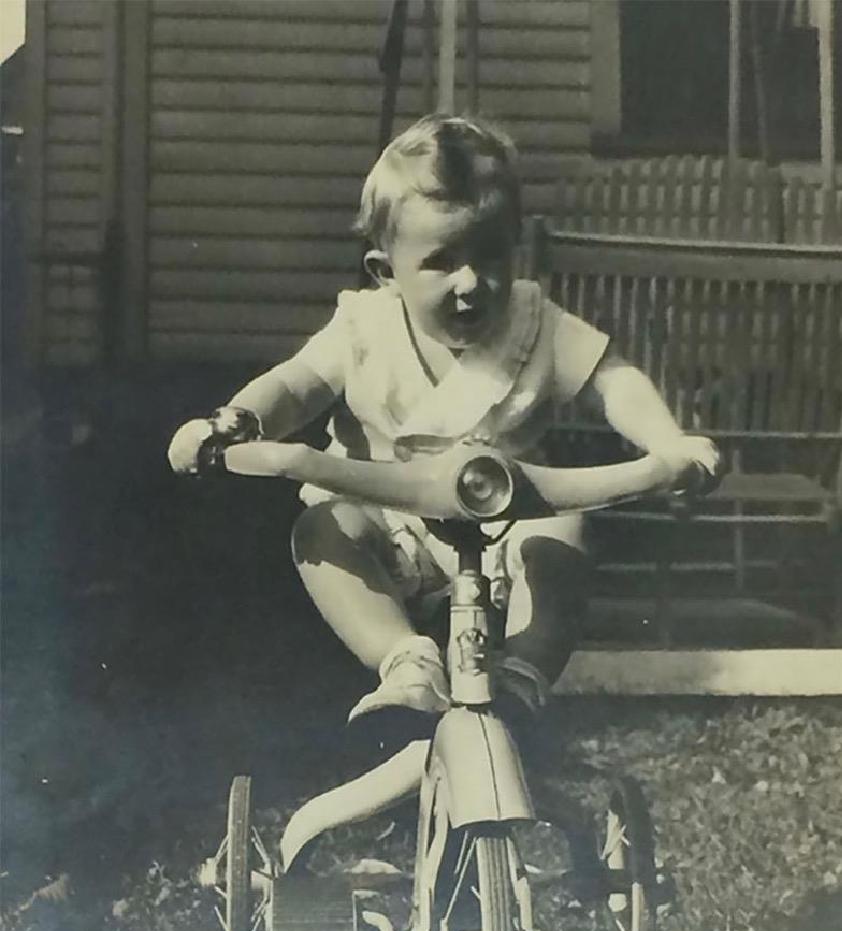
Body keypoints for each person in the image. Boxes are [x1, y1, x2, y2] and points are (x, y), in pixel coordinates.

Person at [168, 114, 719, 746]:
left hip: (508, 516)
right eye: (441, 261)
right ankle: (403, 660)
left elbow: (611, 379)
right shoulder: (363, 329)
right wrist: (235, 422)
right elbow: (296, 386)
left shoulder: (535, 324)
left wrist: (667, 444)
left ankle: (523, 673)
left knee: (563, 535)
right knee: (325, 529)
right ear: (385, 271)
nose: (470, 282)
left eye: (490, 256)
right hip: (388, 515)